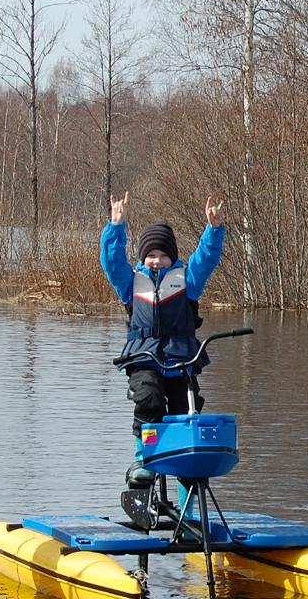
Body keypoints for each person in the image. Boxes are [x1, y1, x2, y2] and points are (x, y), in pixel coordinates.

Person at [100, 191, 227, 489]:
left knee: (188, 412)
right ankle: (145, 460)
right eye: (151, 256)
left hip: (181, 358)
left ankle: (190, 503)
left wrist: (214, 229)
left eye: (163, 255)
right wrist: (116, 226)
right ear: (144, 258)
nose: (157, 261)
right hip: (144, 358)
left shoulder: (188, 281)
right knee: (149, 400)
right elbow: (111, 261)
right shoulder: (131, 283)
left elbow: (206, 259)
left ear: (172, 257)